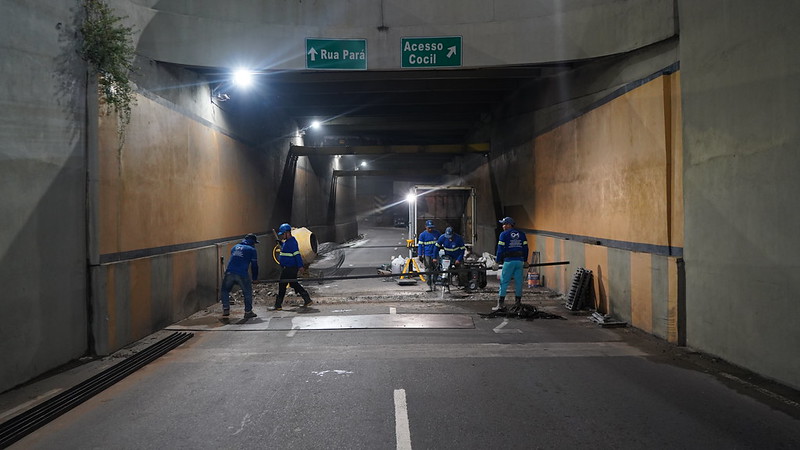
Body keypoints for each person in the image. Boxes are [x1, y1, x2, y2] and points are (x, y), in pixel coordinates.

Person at [273, 223, 313, 310]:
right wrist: (281, 243)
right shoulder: (287, 242)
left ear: (287, 233)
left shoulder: (292, 243)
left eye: (283, 234)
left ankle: (278, 305)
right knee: (293, 283)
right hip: (289, 268)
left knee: (282, 285)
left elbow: (297, 255)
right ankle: (307, 299)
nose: (282, 236)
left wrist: (300, 266)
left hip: (289, 268)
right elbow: (286, 248)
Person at [220, 233, 259, 318]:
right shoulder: (252, 250)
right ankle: (248, 312)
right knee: (247, 292)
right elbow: (254, 265)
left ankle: (226, 308)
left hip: (229, 272)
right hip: (242, 274)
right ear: (252, 242)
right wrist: (255, 278)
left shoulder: (234, 247)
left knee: (225, 290)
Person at [494, 217, 528, 311]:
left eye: (504, 224)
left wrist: (497, 261)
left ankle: (501, 304)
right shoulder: (521, 234)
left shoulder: (503, 234)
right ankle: (518, 303)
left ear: (509, 225)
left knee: (504, 282)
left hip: (509, 261)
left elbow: (500, 249)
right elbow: (525, 248)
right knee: (518, 282)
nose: (503, 226)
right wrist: (525, 260)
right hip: (519, 261)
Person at [417, 219, 441, 291]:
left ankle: (434, 283)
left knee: (436, 269)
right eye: (429, 228)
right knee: (428, 270)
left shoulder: (437, 233)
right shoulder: (422, 235)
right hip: (427, 255)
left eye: (431, 227)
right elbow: (420, 246)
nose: (430, 229)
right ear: (425, 227)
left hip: (435, 254)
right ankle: (429, 285)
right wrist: (420, 255)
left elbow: (440, 243)